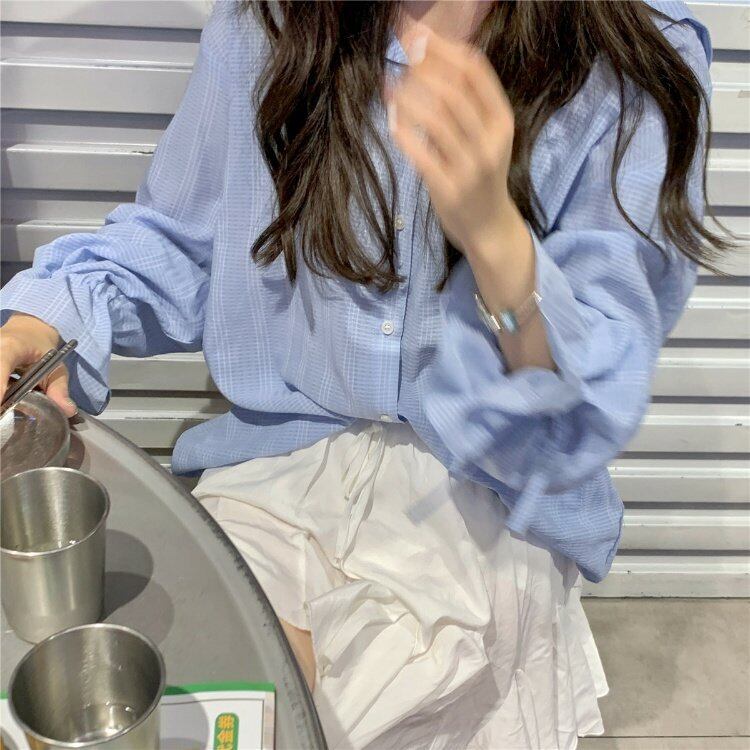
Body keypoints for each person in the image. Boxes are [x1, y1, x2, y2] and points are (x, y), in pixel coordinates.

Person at [0, 1, 733, 747]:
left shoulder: (629, 56)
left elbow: (583, 397)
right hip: (274, 467)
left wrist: (494, 239)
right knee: (201, 692)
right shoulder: (267, 24)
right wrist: (43, 321)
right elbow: (182, 239)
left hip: (484, 489)